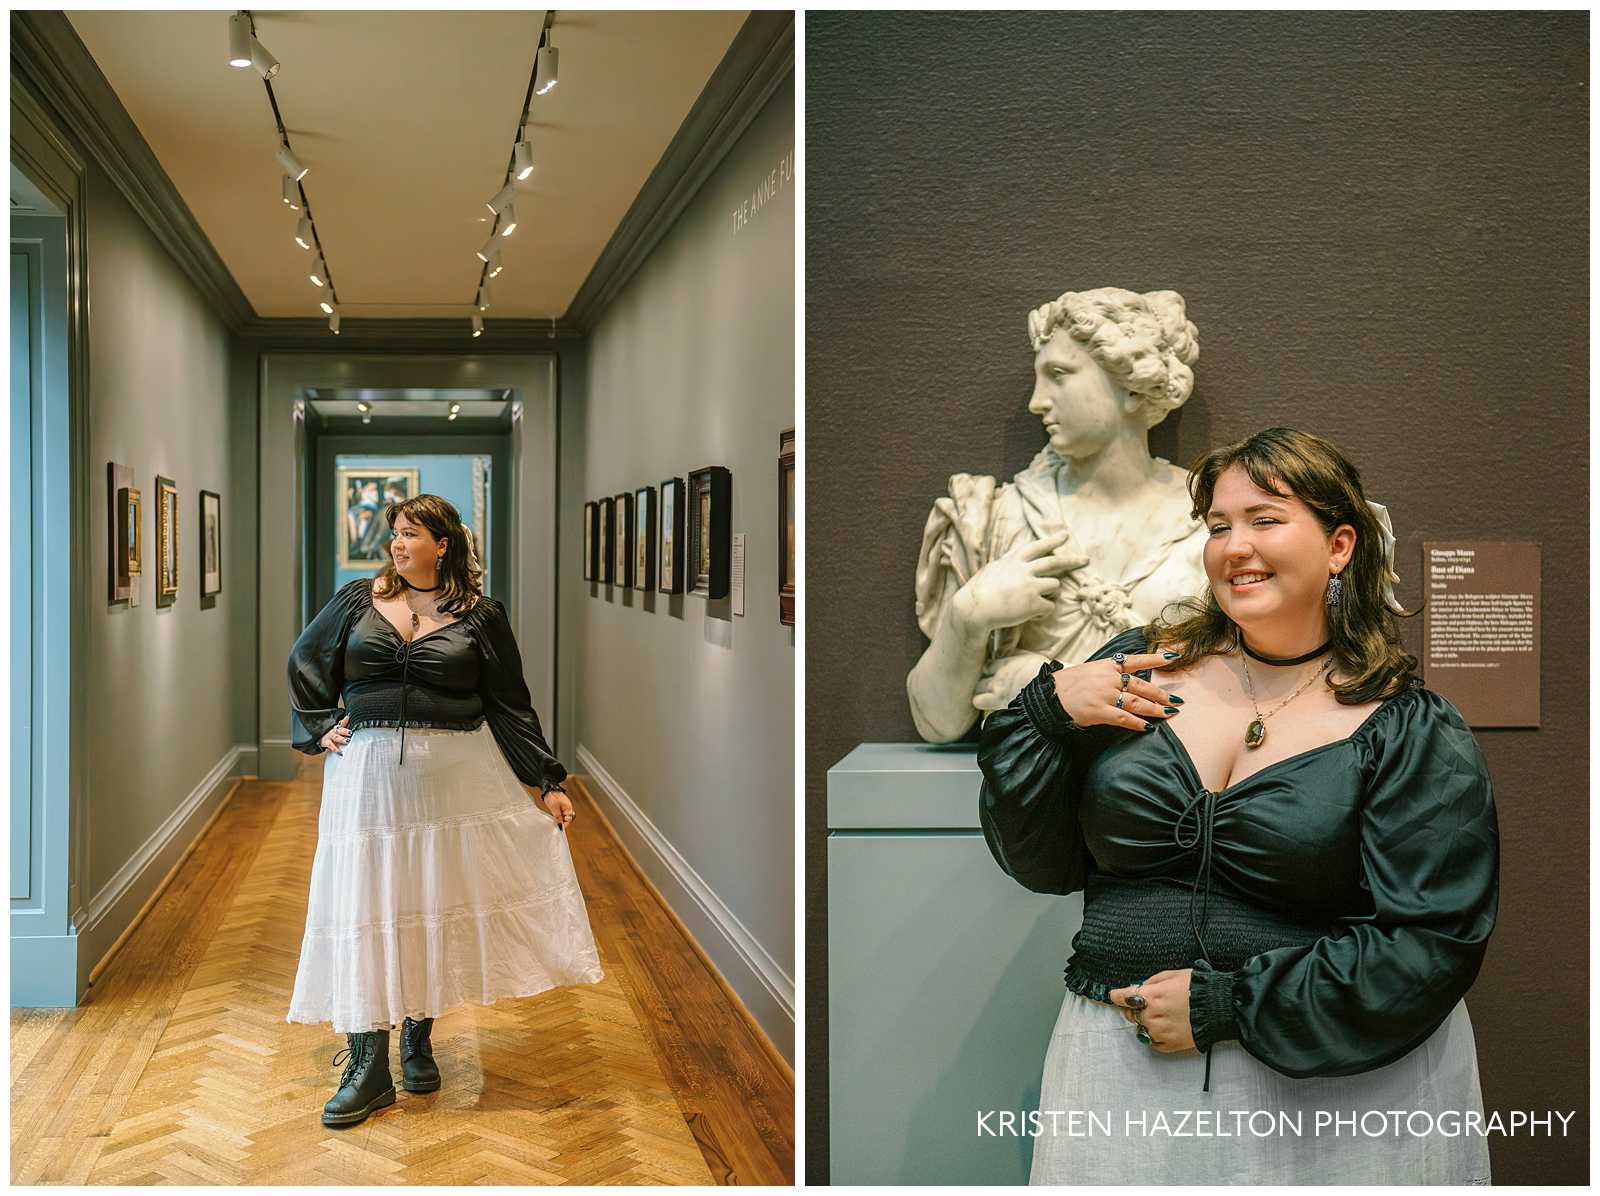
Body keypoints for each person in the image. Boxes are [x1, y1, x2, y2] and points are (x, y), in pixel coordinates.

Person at [978, 427, 1498, 1184]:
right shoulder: (1140, 667)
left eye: (1265, 519)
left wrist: (1231, 1006)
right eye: (1219, 525)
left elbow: (1431, 943)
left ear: (1340, 545)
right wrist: (1049, 710)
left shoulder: (1408, 727)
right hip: (1121, 1067)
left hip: (1331, 1090)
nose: (1234, 546)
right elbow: (1042, 859)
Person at [286, 493, 603, 1128]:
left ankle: (417, 1035)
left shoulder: (482, 617)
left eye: (410, 534)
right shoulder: (357, 600)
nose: (398, 545)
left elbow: (511, 704)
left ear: (443, 545)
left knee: (428, 900)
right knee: (367, 904)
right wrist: (320, 727)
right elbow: (306, 665)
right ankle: (367, 1062)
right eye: (395, 535)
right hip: (367, 780)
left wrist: (547, 781)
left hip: (454, 781)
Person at [909, 287, 1209, 744]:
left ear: (1129, 386)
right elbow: (938, 724)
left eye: (1059, 375)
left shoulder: (1208, 522)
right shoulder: (994, 518)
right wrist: (967, 618)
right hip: (1023, 796)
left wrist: (1046, 686)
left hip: (1161, 792)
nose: (1036, 402)